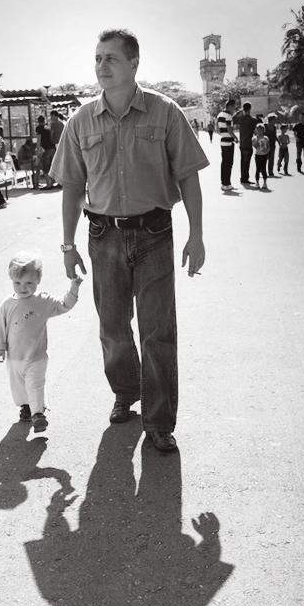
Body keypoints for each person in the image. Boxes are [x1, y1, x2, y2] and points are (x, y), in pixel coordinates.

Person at [49, 28, 209, 452]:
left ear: (134, 64)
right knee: (113, 327)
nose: (101, 66)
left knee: (158, 331)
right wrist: (67, 246)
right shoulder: (80, 120)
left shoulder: (165, 111)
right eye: (98, 58)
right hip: (103, 235)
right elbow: (70, 187)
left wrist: (197, 235)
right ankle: (126, 391)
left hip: (155, 231)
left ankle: (159, 422)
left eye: (111, 59)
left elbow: (188, 175)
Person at [0, 251, 83, 433]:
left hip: (36, 356)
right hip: (14, 358)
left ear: (38, 280)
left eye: (29, 283)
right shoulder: (7, 304)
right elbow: (1, 327)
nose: (23, 287)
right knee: (20, 387)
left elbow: (63, 305)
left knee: (35, 384)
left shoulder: (43, 300)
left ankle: (38, 415)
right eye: (17, 283)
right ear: (11, 280)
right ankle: (26, 407)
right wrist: (1, 347)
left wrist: (74, 288)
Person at [217, 98, 238, 190]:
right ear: (229, 106)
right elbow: (229, 129)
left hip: (222, 141)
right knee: (229, 163)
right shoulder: (228, 116)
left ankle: (223, 183)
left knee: (224, 163)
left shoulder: (220, 115)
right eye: (234, 107)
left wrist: (223, 134)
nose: (234, 109)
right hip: (229, 142)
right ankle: (227, 183)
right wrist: (235, 137)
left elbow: (217, 129)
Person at [237, 102, 257, 184]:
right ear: (250, 108)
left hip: (241, 143)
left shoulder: (241, 119)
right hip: (248, 143)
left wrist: (239, 111)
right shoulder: (253, 120)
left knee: (242, 161)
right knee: (246, 162)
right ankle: (245, 178)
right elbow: (256, 131)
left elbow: (233, 118)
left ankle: (243, 177)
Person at [36, 115, 56, 189]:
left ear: (38, 121)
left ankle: (48, 184)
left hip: (46, 149)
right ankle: (52, 183)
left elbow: (39, 138)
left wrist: (37, 148)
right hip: (52, 148)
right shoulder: (47, 128)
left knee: (45, 167)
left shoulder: (39, 128)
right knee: (51, 166)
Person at [252, 123, 270, 189]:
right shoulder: (254, 138)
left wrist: (267, 151)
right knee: (258, 169)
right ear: (256, 130)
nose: (259, 132)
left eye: (261, 130)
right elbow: (254, 146)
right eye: (258, 130)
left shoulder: (266, 138)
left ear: (263, 131)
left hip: (264, 155)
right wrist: (258, 140)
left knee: (264, 168)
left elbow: (268, 147)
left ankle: (265, 183)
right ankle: (257, 182)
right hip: (258, 155)